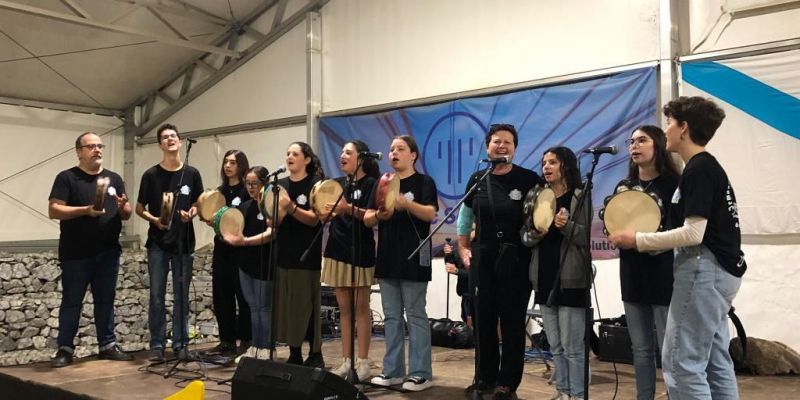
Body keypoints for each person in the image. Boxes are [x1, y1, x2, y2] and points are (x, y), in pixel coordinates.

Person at [610, 96, 747, 400]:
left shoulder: (698, 170)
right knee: (714, 360)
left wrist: (638, 241)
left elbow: (694, 233)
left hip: (704, 271)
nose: (667, 130)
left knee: (681, 362)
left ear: (683, 128)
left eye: (670, 123)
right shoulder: (705, 168)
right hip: (718, 272)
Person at [459, 124, 541, 400]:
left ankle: (507, 383)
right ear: (487, 147)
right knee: (482, 321)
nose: (502, 146)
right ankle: (484, 377)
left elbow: (539, 217)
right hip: (482, 258)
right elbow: (465, 216)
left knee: (512, 323)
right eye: (496, 141)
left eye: (507, 142)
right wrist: (462, 248)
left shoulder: (529, 179)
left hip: (516, 260)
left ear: (515, 148)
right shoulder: (477, 178)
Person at [48, 132, 134, 367]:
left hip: (108, 252)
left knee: (106, 300)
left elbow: (126, 214)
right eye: (91, 146)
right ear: (79, 151)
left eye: (100, 146)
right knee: (72, 301)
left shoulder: (114, 179)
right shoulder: (67, 178)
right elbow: (54, 210)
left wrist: (124, 207)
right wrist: (85, 210)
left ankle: (107, 344)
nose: (97, 150)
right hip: (76, 253)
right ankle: (65, 349)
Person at [368, 135, 438, 392]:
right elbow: (367, 218)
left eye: (400, 149)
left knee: (416, 315)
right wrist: (379, 213)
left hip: (414, 256)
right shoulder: (383, 183)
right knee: (391, 318)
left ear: (413, 155)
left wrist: (406, 204)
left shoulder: (424, 182)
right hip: (387, 256)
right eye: (391, 149)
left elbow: (431, 213)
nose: (394, 153)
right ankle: (394, 370)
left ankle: (421, 373)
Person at [522, 147, 592, 400]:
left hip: (572, 279)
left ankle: (578, 394)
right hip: (543, 278)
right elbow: (525, 236)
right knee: (557, 346)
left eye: (553, 162)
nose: (547, 167)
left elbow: (584, 237)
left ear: (566, 165)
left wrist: (566, 226)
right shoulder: (539, 197)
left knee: (574, 347)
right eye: (544, 163)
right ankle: (563, 392)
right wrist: (536, 233)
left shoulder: (579, 195)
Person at [614, 126, 680, 400]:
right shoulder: (624, 187)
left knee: (670, 348)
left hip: (664, 273)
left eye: (642, 140)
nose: (634, 146)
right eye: (631, 142)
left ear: (659, 146)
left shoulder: (674, 185)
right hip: (632, 273)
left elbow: (679, 231)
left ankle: (678, 394)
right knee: (640, 349)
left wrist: (643, 240)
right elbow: (613, 225)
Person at [136, 123, 203, 362]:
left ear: (180, 141)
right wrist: (154, 219)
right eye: (165, 137)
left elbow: (198, 203)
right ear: (160, 144)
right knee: (156, 295)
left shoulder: (192, 174)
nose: (170, 140)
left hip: (184, 243)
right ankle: (156, 345)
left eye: (173, 136)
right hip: (157, 243)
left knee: (181, 295)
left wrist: (192, 213)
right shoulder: (150, 175)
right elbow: (139, 208)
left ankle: (181, 343)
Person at [320, 140, 379, 381]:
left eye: (348, 152)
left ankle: (362, 362)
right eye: (341, 152)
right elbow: (328, 212)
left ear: (361, 158)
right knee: (344, 310)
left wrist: (347, 209)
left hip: (360, 250)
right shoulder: (337, 184)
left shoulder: (372, 184)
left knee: (361, 308)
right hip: (336, 248)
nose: (342, 156)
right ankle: (346, 361)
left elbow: (372, 218)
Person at [274, 142, 326, 368]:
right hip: (283, 252)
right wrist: (277, 212)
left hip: (306, 254)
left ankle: (315, 353)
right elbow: (273, 220)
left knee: (307, 306)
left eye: (295, 154)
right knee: (287, 306)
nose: (289, 157)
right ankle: (294, 351)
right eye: (287, 153)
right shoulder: (280, 185)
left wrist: (291, 207)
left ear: (306, 160)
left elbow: (315, 219)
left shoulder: (315, 184)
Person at [224, 166, 275, 362]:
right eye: (248, 184)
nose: (251, 188)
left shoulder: (270, 206)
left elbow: (272, 234)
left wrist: (245, 241)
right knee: (253, 307)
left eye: (255, 184)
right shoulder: (244, 207)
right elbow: (234, 230)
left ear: (264, 183)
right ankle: (255, 345)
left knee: (264, 308)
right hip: (245, 263)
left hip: (264, 263)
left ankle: (267, 348)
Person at [207, 150, 251, 356]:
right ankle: (227, 340)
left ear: (241, 166)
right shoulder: (219, 192)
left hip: (240, 250)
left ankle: (246, 340)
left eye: (233, 162)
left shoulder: (246, 191)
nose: (228, 166)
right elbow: (213, 218)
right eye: (226, 162)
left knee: (242, 297)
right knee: (222, 295)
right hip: (222, 249)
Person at [443, 238, 472, 328]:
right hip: (465, 292)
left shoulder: (480, 249)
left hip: (478, 292)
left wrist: (457, 271)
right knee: (465, 317)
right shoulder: (459, 250)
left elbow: (478, 273)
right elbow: (452, 265)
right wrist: (448, 255)